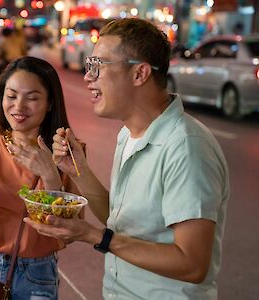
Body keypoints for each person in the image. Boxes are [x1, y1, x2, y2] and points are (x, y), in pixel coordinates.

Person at [25, 18, 229, 299]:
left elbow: (192, 264)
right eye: (88, 65)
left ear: (139, 74)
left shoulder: (185, 147)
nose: (87, 77)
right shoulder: (129, 134)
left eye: (98, 66)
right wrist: (78, 172)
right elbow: (122, 221)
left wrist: (94, 236)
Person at [0, 56, 79, 300]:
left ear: (50, 103)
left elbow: (68, 230)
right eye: (11, 96)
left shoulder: (69, 153)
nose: (19, 106)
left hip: (37, 273)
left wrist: (50, 175)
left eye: (32, 98)